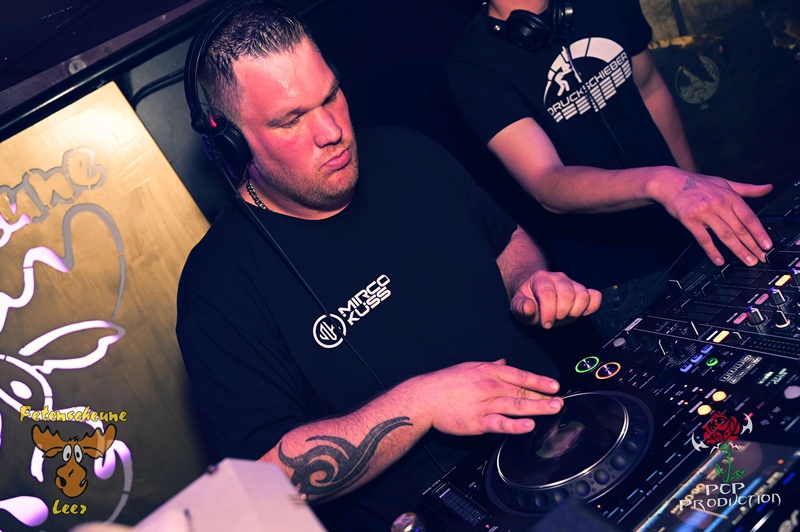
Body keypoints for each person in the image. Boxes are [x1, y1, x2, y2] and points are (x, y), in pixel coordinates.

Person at [175, 2, 602, 530]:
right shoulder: (218, 285)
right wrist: (422, 403)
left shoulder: (409, 153)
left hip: (572, 449)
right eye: (291, 119)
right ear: (231, 140)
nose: (331, 130)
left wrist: (528, 281)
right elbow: (262, 481)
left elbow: (506, 240)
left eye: (331, 95)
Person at [448, 0, 774, 340]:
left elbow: (650, 89)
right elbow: (546, 181)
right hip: (621, 281)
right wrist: (662, 182)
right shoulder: (475, 65)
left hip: (691, 234)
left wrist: (698, 192)